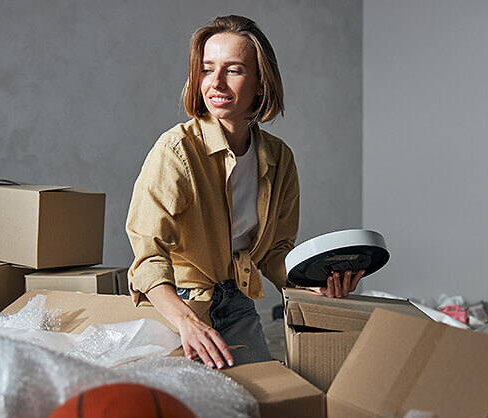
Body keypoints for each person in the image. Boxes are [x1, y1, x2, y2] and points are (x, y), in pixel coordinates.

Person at [126, 15, 364, 369]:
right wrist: (187, 324)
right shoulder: (175, 150)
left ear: (261, 83)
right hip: (178, 304)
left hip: (235, 300)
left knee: (262, 398)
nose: (216, 83)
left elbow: (274, 252)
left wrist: (309, 284)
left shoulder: (279, 157)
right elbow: (148, 257)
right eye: (206, 70)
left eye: (233, 70)